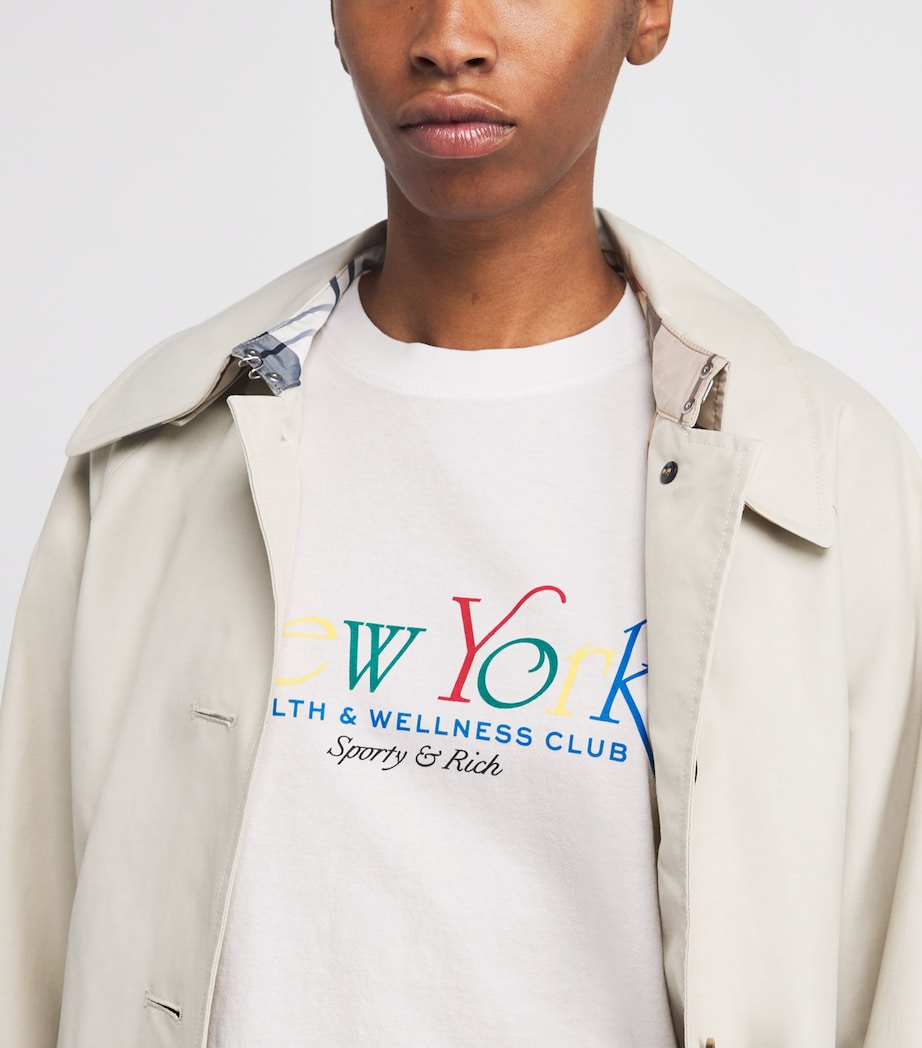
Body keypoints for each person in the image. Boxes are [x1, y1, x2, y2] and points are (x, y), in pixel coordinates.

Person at [1, 0, 920, 1045]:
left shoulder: (825, 476)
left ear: (647, 15)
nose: (448, 37)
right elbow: (27, 950)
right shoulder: (152, 450)